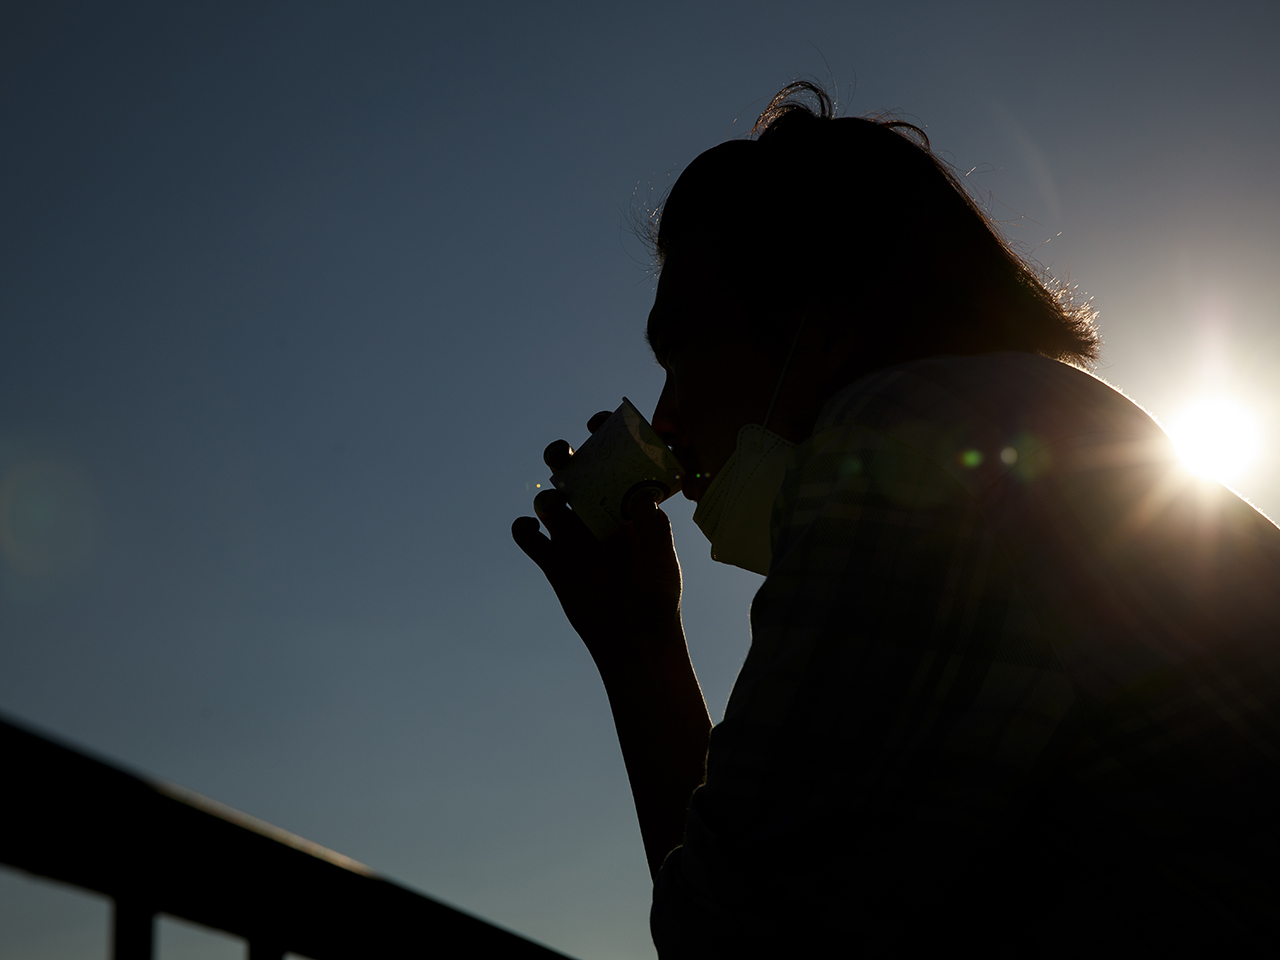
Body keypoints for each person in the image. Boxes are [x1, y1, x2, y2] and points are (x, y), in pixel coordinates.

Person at [511, 82, 1280, 955]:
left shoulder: (896, 446)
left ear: (817, 330)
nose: (666, 420)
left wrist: (638, 653)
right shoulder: (1041, 423)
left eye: (679, 353)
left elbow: (736, 940)